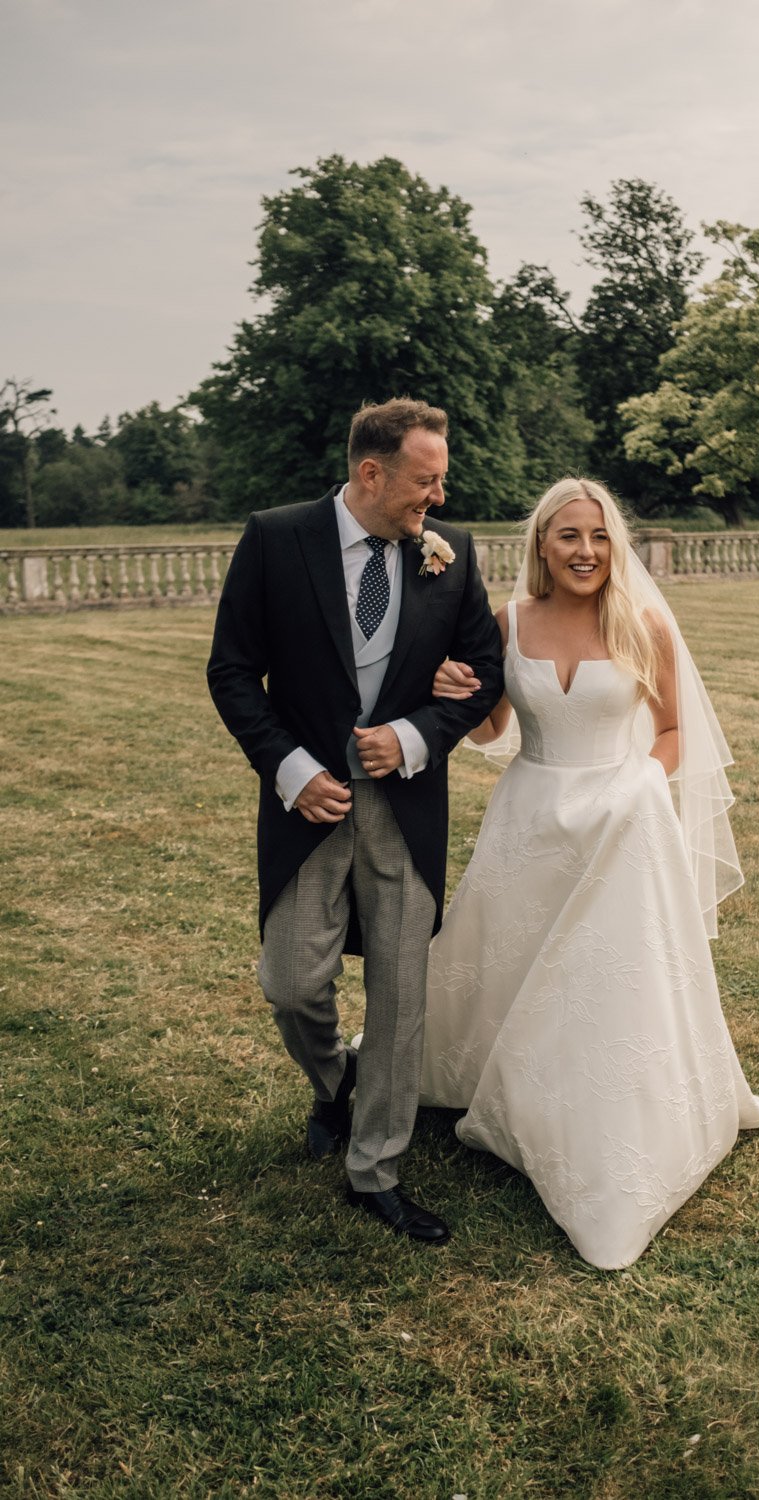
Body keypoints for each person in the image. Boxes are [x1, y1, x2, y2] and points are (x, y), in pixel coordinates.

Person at [420, 477, 759, 1269]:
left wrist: (640, 781)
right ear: (542, 545)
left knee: (603, 978)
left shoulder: (642, 622)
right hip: (530, 820)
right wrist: (456, 688)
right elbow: (490, 731)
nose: (586, 551)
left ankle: (594, 1120)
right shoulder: (510, 622)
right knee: (509, 956)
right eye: (570, 535)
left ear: (617, 544)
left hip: (621, 823)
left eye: (600, 535)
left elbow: (676, 730)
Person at [207, 398, 504, 1246]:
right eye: (426, 480)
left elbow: (484, 673)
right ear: (371, 473)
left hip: (405, 808)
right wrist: (291, 771)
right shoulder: (276, 538)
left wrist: (413, 735)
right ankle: (336, 1081)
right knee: (291, 982)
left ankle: (376, 1170)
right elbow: (232, 671)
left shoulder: (452, 553)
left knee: (402, 996)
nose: (438, 498)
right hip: (309, 806)